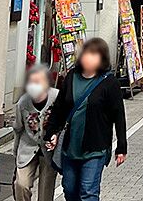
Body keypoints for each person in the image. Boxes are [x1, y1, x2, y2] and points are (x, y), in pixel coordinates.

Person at [43, 39, 127, 201]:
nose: (89, 58)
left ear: (102, 59)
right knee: (69, 188)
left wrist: (121, 147)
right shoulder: (71, 77)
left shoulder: (109, 82)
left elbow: (118, 115)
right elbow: (59, 108)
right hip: (70, 146)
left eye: (94, 55)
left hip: (95, 147)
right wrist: (52, 132)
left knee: (88, 191)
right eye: (87, 54)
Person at [13, 64, 58, 201]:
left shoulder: (57, 97)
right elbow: (18, 128)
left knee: (46, 191)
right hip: (27, 146)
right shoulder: (23, 102)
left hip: (49, 150)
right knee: (21, 185)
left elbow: (64, 122)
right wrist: (16, 152)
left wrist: (57, 136)